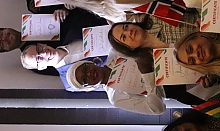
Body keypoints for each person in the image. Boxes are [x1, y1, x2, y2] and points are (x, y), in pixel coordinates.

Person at [65, 49, 204, 115]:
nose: (89, 74)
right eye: (84, 80)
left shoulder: (115, 52)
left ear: (89, 63)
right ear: (88, 87)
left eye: (85, 68)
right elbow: (157, 109)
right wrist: (148, 75)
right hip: (181, 90)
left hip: (178, 59)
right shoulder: (116, 98)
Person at [0, 8, 107, 53]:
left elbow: (65, 4)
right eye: (2, 43)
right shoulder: (31, 57)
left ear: (6, 28)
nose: (5, 38)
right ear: (7, 50)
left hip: (94, 15)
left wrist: (62, 10)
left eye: (2, 34)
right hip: (94, 41)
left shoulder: (34, 18)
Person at [107, 13, 200, 63]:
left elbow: (193, 4)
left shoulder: (156, 15)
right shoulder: (157, 61)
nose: (129, 32)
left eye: (126, 26)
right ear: (129, 49)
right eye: (124, 37)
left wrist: (203, 18)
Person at [20, 41, 85, 71]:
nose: (44, 53)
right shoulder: (70, 79)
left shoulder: (71, 35)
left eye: (39, 49)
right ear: (42, 67)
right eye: (39, 59)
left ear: (42, 44)